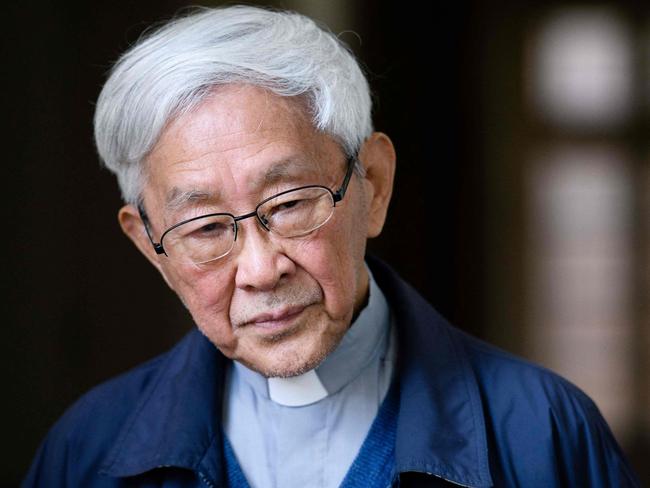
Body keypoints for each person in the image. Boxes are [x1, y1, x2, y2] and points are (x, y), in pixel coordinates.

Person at [23, 5, 639, 488]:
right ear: (151, 247)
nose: (261, 271)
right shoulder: (86, 451)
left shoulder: (545, 432)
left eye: (290, 205)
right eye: (207, 228)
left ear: (372, 185)